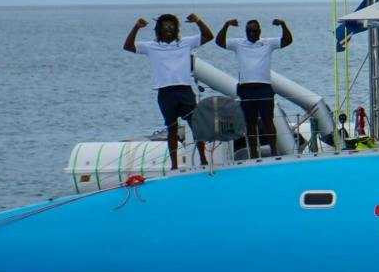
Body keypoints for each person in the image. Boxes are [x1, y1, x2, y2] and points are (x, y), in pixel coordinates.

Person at [125, 12, 214, 169]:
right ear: (158, 29)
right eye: (164, 26)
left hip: (184, 89)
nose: (168, 29)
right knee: (171, 128)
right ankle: (174, 165)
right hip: (165, 92)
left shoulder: (185, 43)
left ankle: (204, 160)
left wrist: (198, 21)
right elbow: (128, 46)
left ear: (176, 28)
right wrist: (136, 27)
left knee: (195, 124)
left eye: (171, 26)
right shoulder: (152, 46)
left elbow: (208, 36)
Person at [216, 16, 292, 157]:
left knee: (268, 121)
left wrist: (283, 24)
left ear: (259, 31)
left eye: (254, 31)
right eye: (249, 31)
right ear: (245, 31)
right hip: (246, 89)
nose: (252, 34)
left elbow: (287, 40)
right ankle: (253, 153)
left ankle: (274, 151)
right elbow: (219, 42)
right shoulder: (239, 44)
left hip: (264, 88)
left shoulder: (267, 43)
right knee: (250, 123)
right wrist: (226, 25)